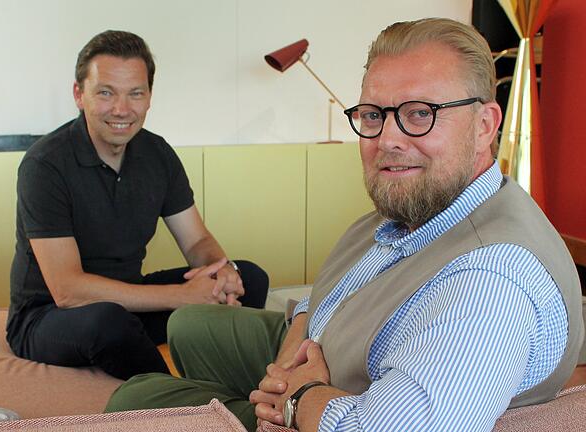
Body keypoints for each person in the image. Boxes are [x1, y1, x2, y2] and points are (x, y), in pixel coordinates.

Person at [104, 18, 584, 432]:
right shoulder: (419, 206)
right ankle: (232, 401)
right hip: (325, 351)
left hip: (341, 397)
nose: (388, 139)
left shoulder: (490, 281)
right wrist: (295, 346)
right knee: (188, 324)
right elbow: (328, 293)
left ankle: (233, 410)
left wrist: (298, 395)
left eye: (420, 113)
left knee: (137, 396)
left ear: (484, 125)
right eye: (374, 115)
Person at [6, 30, 269, 381]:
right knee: (108, 321)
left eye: (135, 94)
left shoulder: (157, 153)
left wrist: (219, 270)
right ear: (79, 95)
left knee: (249, 277)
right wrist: (180, 296)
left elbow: (195, 241)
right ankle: (184, 406)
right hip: (48, 315)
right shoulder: (45, 165)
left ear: (149, 97)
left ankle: (228, 379)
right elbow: (67, 290)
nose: (121, 109)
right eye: (105, 93)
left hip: (129, 299)